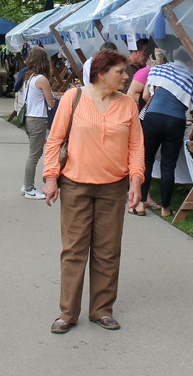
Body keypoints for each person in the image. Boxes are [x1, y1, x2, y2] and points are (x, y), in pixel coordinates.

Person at [43, 50, 145, 334]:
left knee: (108, 251)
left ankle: (101, 310)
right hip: (75, 185)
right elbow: (54, 141)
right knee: (74, 250)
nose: (126, 77)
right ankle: (67, 313)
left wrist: (136, 180)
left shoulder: (127, 105)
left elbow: (136, 146)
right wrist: (51, 178)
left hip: (113, 186)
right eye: (120, 72)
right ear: (101, 73)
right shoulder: (73, 99)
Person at [137, 49, 193, 218]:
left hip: (153, 118)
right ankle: (166, 208)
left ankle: (141, 204)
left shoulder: (159, 69)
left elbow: (145, 95)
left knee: (147, 161)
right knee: (168, 165)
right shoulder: (192, 77)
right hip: (175, 121)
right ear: (189, 61)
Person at [20, 47, 56, 200]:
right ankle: (29, 188)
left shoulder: (29, 77)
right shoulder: (42, 79)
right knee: (34, 155)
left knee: (34, 154)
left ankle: (26, 185)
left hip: (29, 118)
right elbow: (51, 103)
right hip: (38, 119)